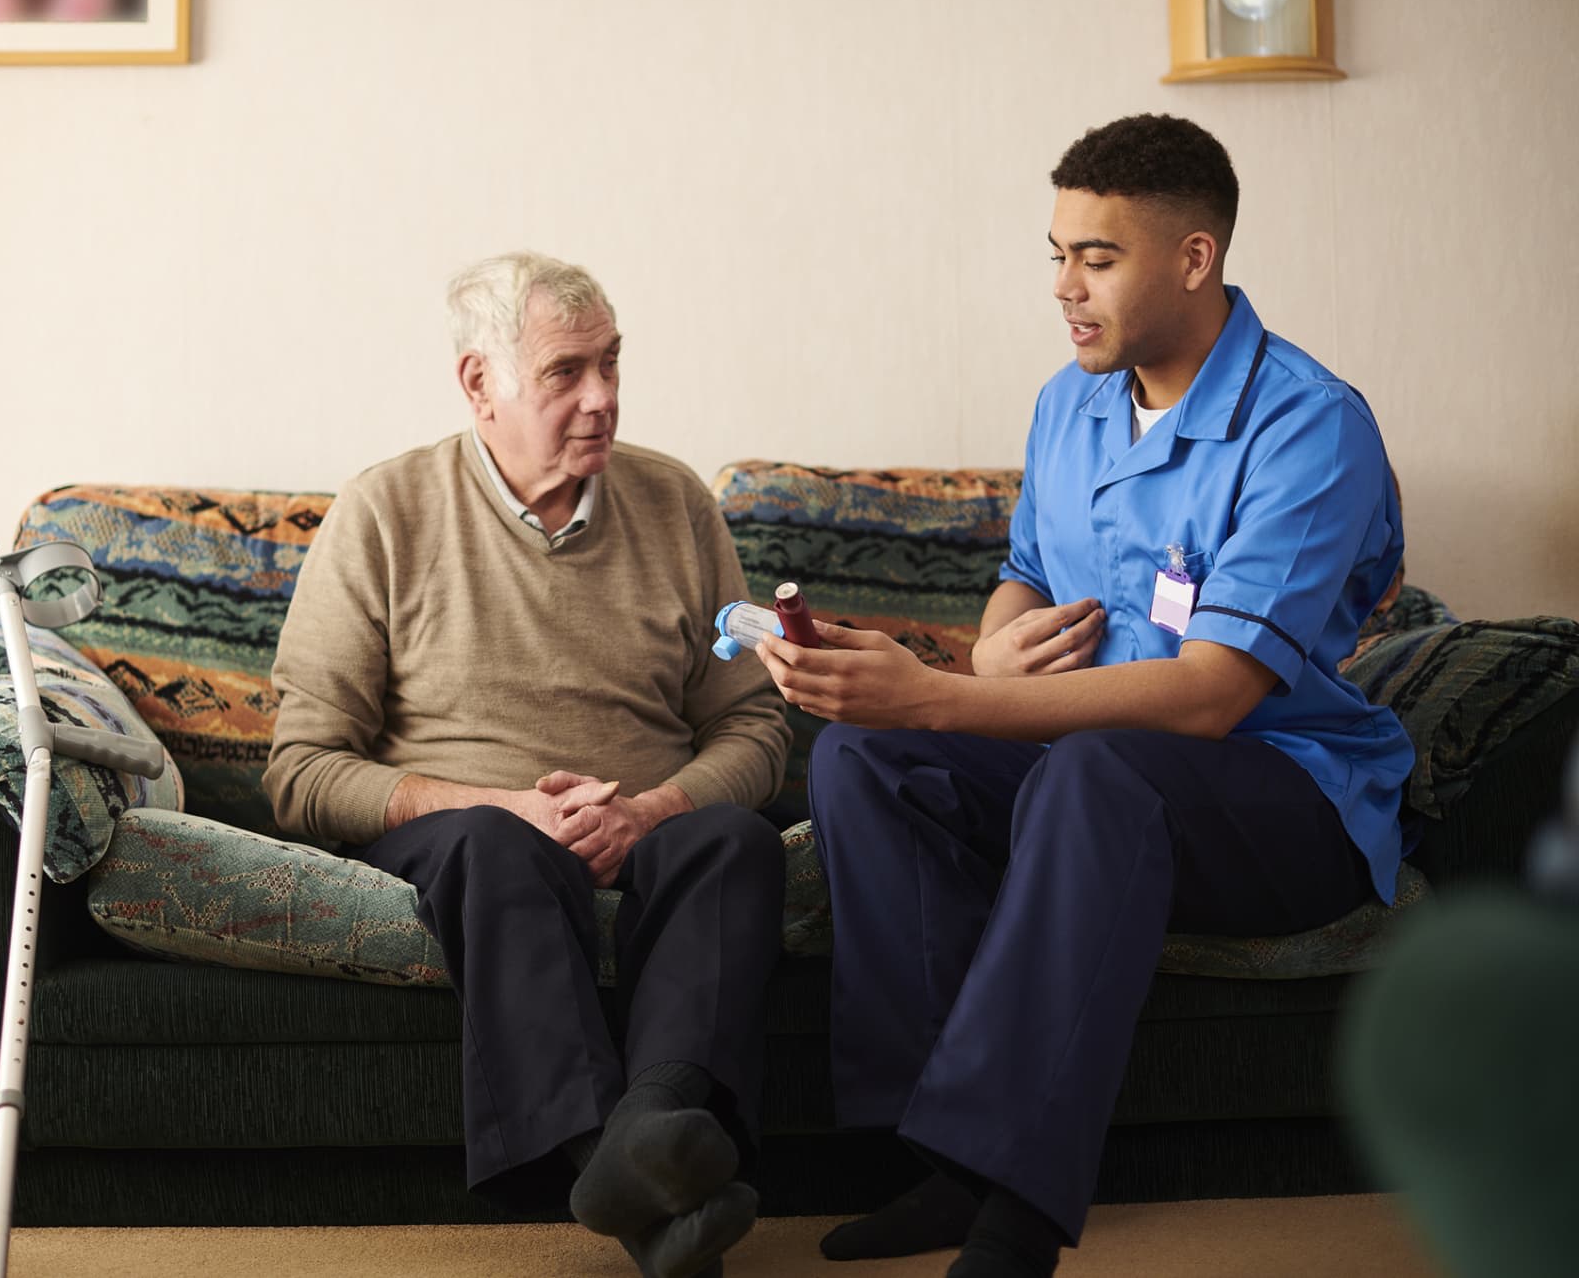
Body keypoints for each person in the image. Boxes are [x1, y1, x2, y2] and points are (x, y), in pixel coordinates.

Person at [755, 114, 1412, 1278]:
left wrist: (940, 696)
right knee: (864, 758)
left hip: (1280, 796)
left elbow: (1211, 694)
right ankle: (942, 1165)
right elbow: (1025, 576)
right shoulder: (1071, 400)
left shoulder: (1309, 425)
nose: (1062, 287)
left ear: (1193, 258)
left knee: (1087, 768)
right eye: (1054, 254)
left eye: (1094, 258)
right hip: (1088, 776)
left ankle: (1015, 1208)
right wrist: (992, 653)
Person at [266, 251, 791, 1278]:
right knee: (493, 846)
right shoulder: (384, 510)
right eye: (564, 372)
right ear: (479, 384)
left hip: (653, 823)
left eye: (610, 364)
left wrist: (652, 808)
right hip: (468, 836)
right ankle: (624, 1166)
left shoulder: (675, 501)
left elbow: (756, 730)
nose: (601, 398)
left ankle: (649, 1119)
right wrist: (503, 804)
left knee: (730, 842)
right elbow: (300, 771)